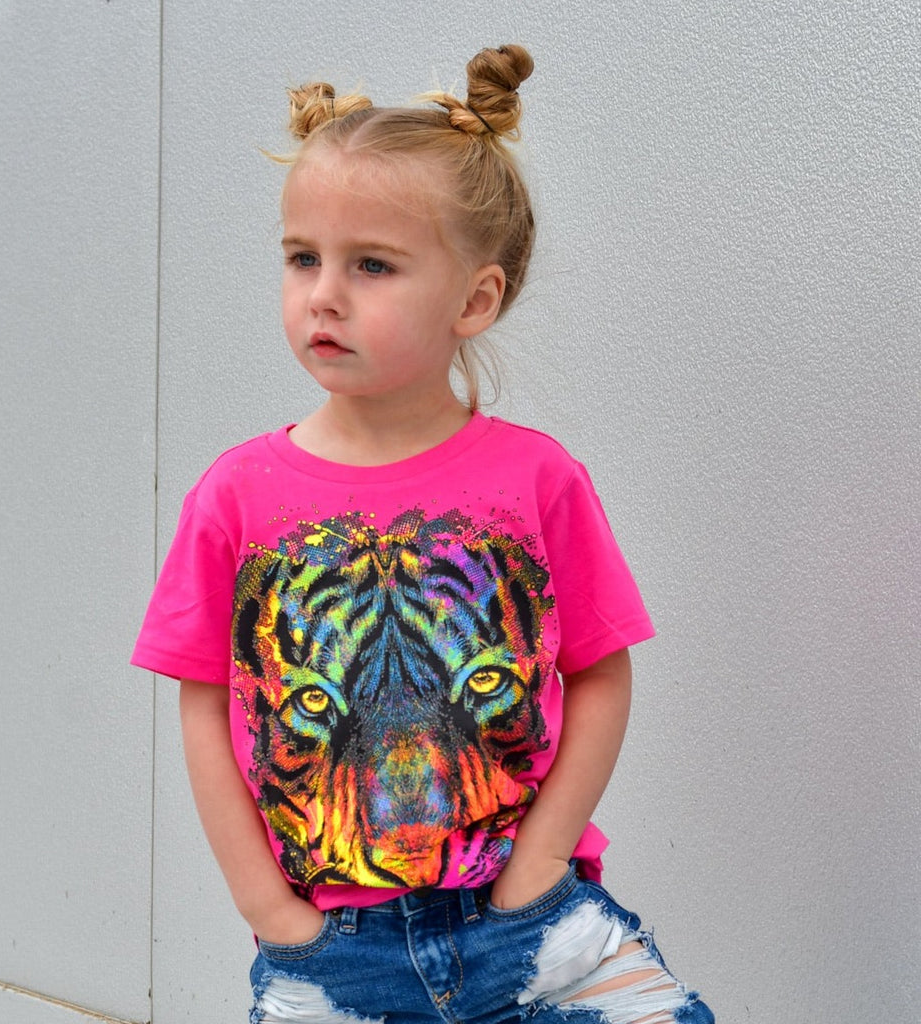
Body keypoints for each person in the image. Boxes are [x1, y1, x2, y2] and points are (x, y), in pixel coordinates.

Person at [132, 44, 713, 1024]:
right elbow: (204, 706)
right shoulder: (235, 497)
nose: (324, 293)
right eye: (303, 257)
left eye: (372, 265)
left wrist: (539, 862)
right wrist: (271, 913)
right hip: (335, 947)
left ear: (474, 300)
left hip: (533, 923)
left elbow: (601, 671)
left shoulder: (537, 481)